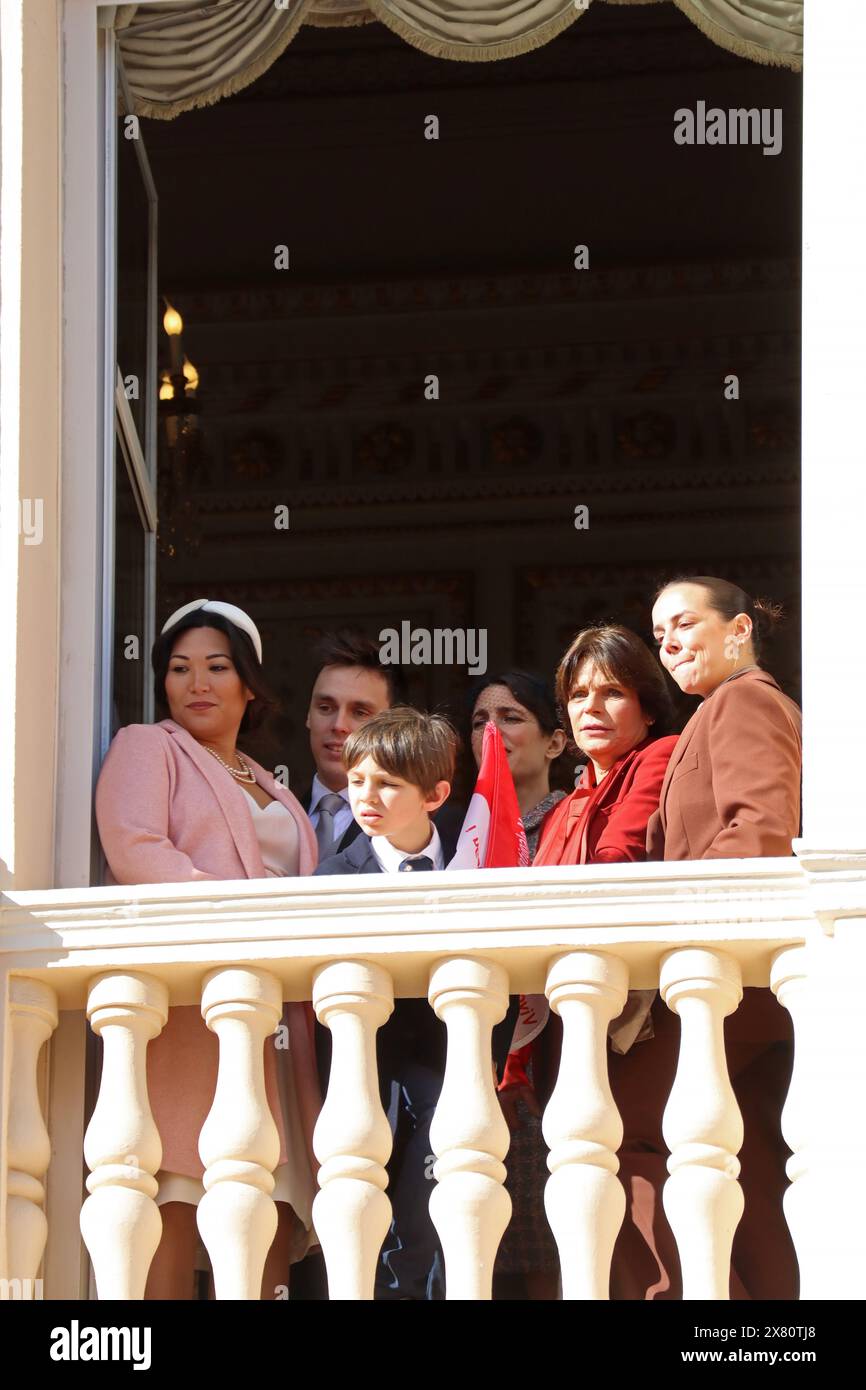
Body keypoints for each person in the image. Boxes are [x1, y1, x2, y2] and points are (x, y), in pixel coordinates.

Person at [95, 599, 319, 1300]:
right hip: (193, 1021)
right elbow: (136, 853)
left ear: (249, 684)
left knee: (270, 1203)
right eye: (180, 668)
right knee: (182, 1194)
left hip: (279, 1028)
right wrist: (241, 916)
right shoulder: (147, 746)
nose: (196, 683)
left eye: (217, 668)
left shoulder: (271, 779)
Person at [314, 706, 518, 1299]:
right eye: (356, 780)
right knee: (373, 1234)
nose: (365, 796)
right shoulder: (331, 877)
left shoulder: (475, 852)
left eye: (387, 783)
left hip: (454, 1072)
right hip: (364, 1083)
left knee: (442, 1226)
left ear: (435, 795)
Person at [644, 574, 802, 1299]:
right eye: (659, 634)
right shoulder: (712, 712)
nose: (669, 642)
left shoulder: (745, 701)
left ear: (739, 629)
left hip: (732, 982)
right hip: (737, 992)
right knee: (754, 1162)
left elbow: (760, 835)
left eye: (683, 623)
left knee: (629, 1127)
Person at [530, 625, 679, 1298]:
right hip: (574, 1024)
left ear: (647, 706)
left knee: (645, 1181)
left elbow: (617, 862)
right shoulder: (567, 806)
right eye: (579, 693)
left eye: (613, 692)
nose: (591, 707)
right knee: (587, 1185)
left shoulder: (660, 758)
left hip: (646, 1017)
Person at [468, 672, 568, 1299]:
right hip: (473, 1057)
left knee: (555, 1240)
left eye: (510, 717)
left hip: (553, 1057)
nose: (491, 731)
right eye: (479, 719)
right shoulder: (455, 830)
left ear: (556, 742)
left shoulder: (576, 820)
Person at [301, 629, 406, 860]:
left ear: (391, 724)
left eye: (360, 712)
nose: (339, 725)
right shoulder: (277, 812)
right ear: (308, 714)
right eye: (325, 708)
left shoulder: (414, 825)